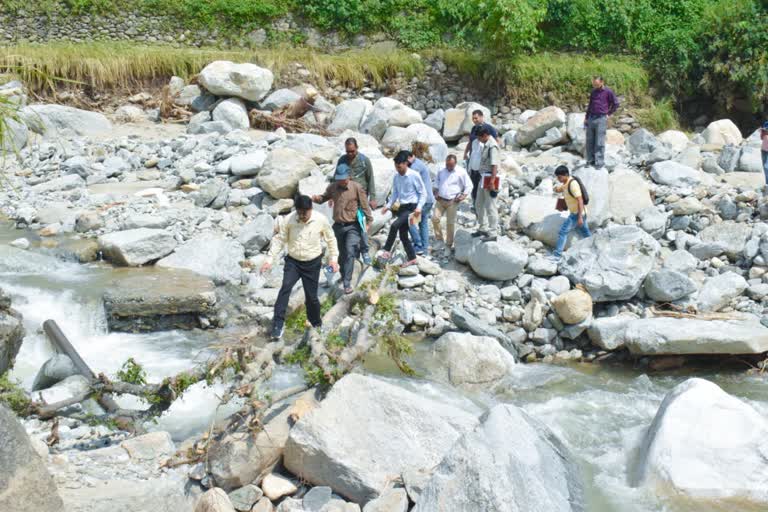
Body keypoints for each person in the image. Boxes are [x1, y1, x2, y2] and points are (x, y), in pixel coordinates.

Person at [260, 195, 339, 340]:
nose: (302, 216)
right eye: (299, 212)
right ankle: (278, 324)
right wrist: (269, 260)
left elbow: (331, 239)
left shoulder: (320, 219)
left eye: (305, 213)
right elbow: (279, 240)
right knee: (285, 288)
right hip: (293, 262)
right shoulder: (289, 219)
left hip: (312, 263)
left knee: (311, 297)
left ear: (311, 209)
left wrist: (333, 260)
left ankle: (316, 324)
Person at [312, 163, 373, 295]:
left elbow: (364, 205)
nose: (341, 181)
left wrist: (369, 221)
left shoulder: (356, 187)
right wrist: (316, 199)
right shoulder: (333, 187)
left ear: (349, 176)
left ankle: (347, 283)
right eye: (339, 178)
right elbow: (324, 198)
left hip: (353, 226)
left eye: (343, 179)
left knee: (350, 251)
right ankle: (344, 275)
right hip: (338, 226)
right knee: (339, 254)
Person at [380, 150, 425, 267]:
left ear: (405, 163)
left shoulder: (414, 175)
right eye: (396, 167)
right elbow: (395, 193)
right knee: (403, 235)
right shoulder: (396, 177)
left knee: (394, 225)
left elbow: (423, 193)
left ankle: (386, 250)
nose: (398, 169)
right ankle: (412, 258)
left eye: (400, 167)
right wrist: (388, 206)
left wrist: (419, 207)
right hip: (402, 207)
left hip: (412, 207)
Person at [337, 138, 376, 264]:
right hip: (345, 199)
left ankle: (364, 250)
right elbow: (336, 178)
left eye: (352, 151)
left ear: (357, 148)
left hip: (361, 199)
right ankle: (348, 252)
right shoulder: (342, 160)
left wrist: (373, 198)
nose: (350, 154)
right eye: (347, 151)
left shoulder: (365, 161)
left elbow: (371, 180)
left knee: (362, 224)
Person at [432, 154, 471, 252]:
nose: (449, 167)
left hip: (452, 201)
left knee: (450, 223)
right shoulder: (441, 169)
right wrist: (435, 191)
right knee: (435, 218)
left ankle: (449, 244)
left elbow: (469, 185)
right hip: (440, 199)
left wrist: (463, 196)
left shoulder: (461, 172)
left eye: (451, 165)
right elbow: (436, 181)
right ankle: (439, 239)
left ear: (455, 164)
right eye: (447, 165)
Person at [551, 165, 591, 260]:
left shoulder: (572, 184)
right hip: (579, 213)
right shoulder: (566, 182)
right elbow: (562, 188)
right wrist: (556, 189)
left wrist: (580, 217)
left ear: (565, 175)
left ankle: (557, 255)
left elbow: (580, 200)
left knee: (562, 232)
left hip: (576, 214)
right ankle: (593, 246)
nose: (558, 179)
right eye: (557, 177)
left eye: (560, 177)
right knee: (585, 232)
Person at [462, 109, 499, 208]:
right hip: (473, 160)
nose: (474, 120)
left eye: (476, 118)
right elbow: (470, 142)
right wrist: (466, 152)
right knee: (473, 185)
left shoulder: (489, 128)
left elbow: (496, 142)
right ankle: (476, 205)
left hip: (483, 164)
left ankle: (485, 207)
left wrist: (493, 156)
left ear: (482, 117)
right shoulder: (474, 128)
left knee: (483, 187)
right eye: (473, 118)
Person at [472, 127, 500, 242]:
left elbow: (494, 165)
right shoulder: (486, 144)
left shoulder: (492, 146)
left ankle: (493, 232)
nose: (478, 140)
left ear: (484, 135)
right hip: (483, 177)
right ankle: (483, 227)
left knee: (490, 206)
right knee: (479, 203)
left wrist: (492, 182)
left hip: (490, 178)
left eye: (479, 137)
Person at [585, 76, 619, 169]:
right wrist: (586, 118)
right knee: (589, 141)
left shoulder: (608, 91)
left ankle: (599, 162)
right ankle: (590, 160)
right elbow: (590, 105)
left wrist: (609, 113)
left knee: (599, 141)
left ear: (602, 82)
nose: (594, 85)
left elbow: (616, 103)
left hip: (601, 118)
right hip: (591, 117)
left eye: (596, 84)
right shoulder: (593, 92)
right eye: (593, 84)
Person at [407, 151, 435, 256]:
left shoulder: (415, 167)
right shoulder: (418, 162)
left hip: (423, 200)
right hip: (429, 199)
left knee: (410, 221)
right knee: (423, 223)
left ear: (410, 157)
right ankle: (425, 249)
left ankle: (418, 245)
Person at [761, 121, 768, 192]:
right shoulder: (766, 123)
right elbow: (762, 137)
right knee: (764, 166)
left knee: (766, 167)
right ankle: (766, 183)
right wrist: (763, 131)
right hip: (764, 149)